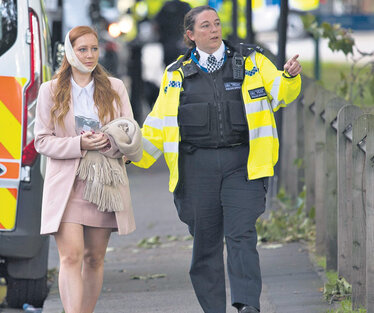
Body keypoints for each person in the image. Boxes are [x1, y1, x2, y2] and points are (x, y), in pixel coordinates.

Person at [133, 6, 302, 313]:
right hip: (197, 169)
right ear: (190, 35)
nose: (214, 29)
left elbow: (280, 91)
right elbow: (157, 125)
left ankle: (248, 305)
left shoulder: (251, 61)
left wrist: (288, 76)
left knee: (241, 235)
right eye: (206, 25)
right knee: (206, 244)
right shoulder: (175, 73)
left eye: (217, 23)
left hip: (243, 164)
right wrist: (128, 153)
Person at [34, 26, 140, 313]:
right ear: (70, 52)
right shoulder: (51, 90)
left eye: (94, 48)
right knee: (70, 257)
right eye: (83, 49)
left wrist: (108, 143)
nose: (90, 55)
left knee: (94, 258)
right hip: (67, 186)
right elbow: (42, 141)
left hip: (104, 185)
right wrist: (79, 143)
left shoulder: (115, 87)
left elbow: (130, 136)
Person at [154, 0, 191, 66]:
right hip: (179, 43)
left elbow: (156, 25)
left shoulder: (165, 7)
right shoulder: (184, 6)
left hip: (169, 43)